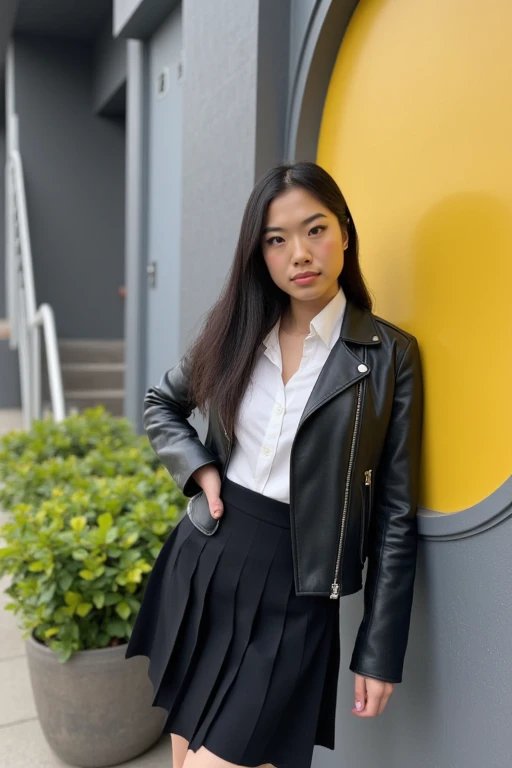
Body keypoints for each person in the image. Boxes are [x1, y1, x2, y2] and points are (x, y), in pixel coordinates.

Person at [124, 161, 423, 768]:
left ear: (345, 231)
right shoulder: (238, 329)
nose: (299, 254)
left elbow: (395, 513)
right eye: (276, 240)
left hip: (296, 590)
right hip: (206, 560)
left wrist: (379, 649)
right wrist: (200, 468)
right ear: (259, 254)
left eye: (315, 230)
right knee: (182, 758)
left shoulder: (389, 356)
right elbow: (163, 403)